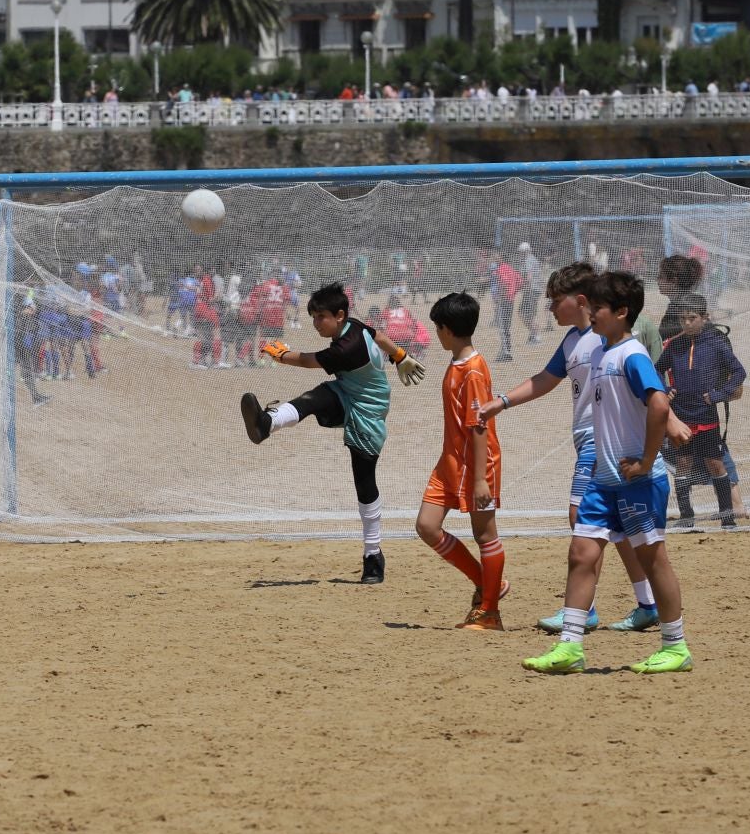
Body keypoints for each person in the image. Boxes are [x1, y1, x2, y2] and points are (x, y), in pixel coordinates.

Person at [480, 263, 667, 632]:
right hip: (586, 441)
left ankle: (583, 610)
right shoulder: (571, 342)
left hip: (603, 442)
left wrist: (670, 421)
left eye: (554, 301)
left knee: (580, 515)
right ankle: (646, 603)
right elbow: (544, 380)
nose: (549, 308)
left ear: (579, 300)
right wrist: (501, 402)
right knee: (620, 529)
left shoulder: (607, 339)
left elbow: (647, 388)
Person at [524, 271, 693, 675]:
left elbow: (657, 404)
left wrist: (648, 462)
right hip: (604, 478)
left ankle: (675, 646)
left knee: (654, 561)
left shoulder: (631, 355)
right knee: (581, 553)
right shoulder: (598, 351)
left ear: (621, 312)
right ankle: (570, 647)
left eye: (598, 308)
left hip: (637, 480)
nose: (591, 313)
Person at [240, 281, 426, 585]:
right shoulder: (352, 326)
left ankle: (373, 555)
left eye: (320, 317)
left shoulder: (346, 347)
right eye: (313, 317)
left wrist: (282, 354)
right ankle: (266, 424)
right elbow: (377, 334)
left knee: (364, 483)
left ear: (339, 315)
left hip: (368, 410)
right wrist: (400, 355)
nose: (315, 323)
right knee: (314, 398)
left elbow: (309, 360)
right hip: (345, 393)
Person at [408, 293, 508, 630]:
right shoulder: (457, 364)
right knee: (427, 525)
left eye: (437, 327)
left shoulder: (474, 372)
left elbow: (478, 428)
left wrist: (480, 479)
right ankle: (488, 583)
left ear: (446, 330)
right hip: (450, 462)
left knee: (485, 535)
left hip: (477, 465)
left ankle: (489, 612)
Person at [656, 293, 745, 528]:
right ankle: (687, 517)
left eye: (692, 318)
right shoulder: (675, 345)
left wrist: (718, 394)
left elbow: (739, 372)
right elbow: (655, 369)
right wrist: (664, 389)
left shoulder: (715, 343)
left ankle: (727, 517)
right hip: (681, 417)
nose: (686, 323)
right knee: (683, 464)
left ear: (705, 318)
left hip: (706, 417)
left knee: (715, 464)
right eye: (682, 319)